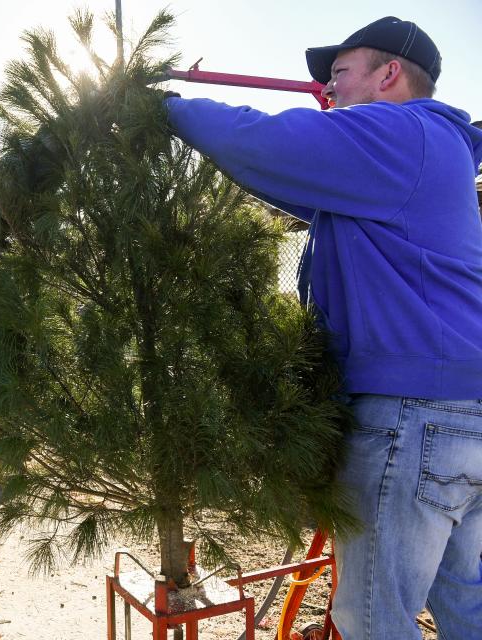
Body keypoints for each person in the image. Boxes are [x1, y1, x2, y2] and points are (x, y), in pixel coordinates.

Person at [162, 16, 482, 640]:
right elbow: (291, 180)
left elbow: (269, 141)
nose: (328, 90)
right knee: (465, 607)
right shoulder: (425, 152)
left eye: (339, 73)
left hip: (412, 418)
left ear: (390, 74)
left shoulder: (399, 131)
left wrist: (166, 109)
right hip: (458, 413)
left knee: (371, 619)